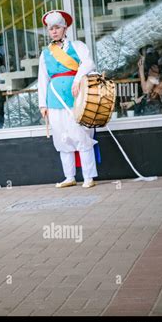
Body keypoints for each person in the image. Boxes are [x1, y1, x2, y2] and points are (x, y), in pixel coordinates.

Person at [37, 10, 97, 188]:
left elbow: (88, 63)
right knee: (62, 138)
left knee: (81, 135)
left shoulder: (77, 46)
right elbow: (43, 79)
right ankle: (69, 177)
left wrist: (78, 79)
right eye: (50, 29)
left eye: (57, 28)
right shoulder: (45, 53)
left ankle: (88, 177)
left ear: (65, 29)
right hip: (54, 99)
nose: (54, 31)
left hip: (76, 98)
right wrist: (43, 104)